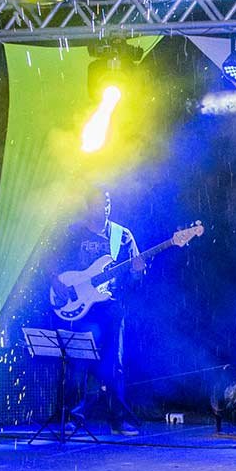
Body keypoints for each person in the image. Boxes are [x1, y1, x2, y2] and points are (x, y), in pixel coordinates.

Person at [48, 185, 145, 436]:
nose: (104, 208)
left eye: (108, 203)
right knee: (76, 362)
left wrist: (137, 272)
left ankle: (118, 420)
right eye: (99, 203)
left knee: (114, 364)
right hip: (80, 306)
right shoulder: (73, 233)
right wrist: (56, 281)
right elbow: (50, 261)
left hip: (111, 307)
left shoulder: (122, 236)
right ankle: (70, 417)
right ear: (88, 205)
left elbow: (135, 279)